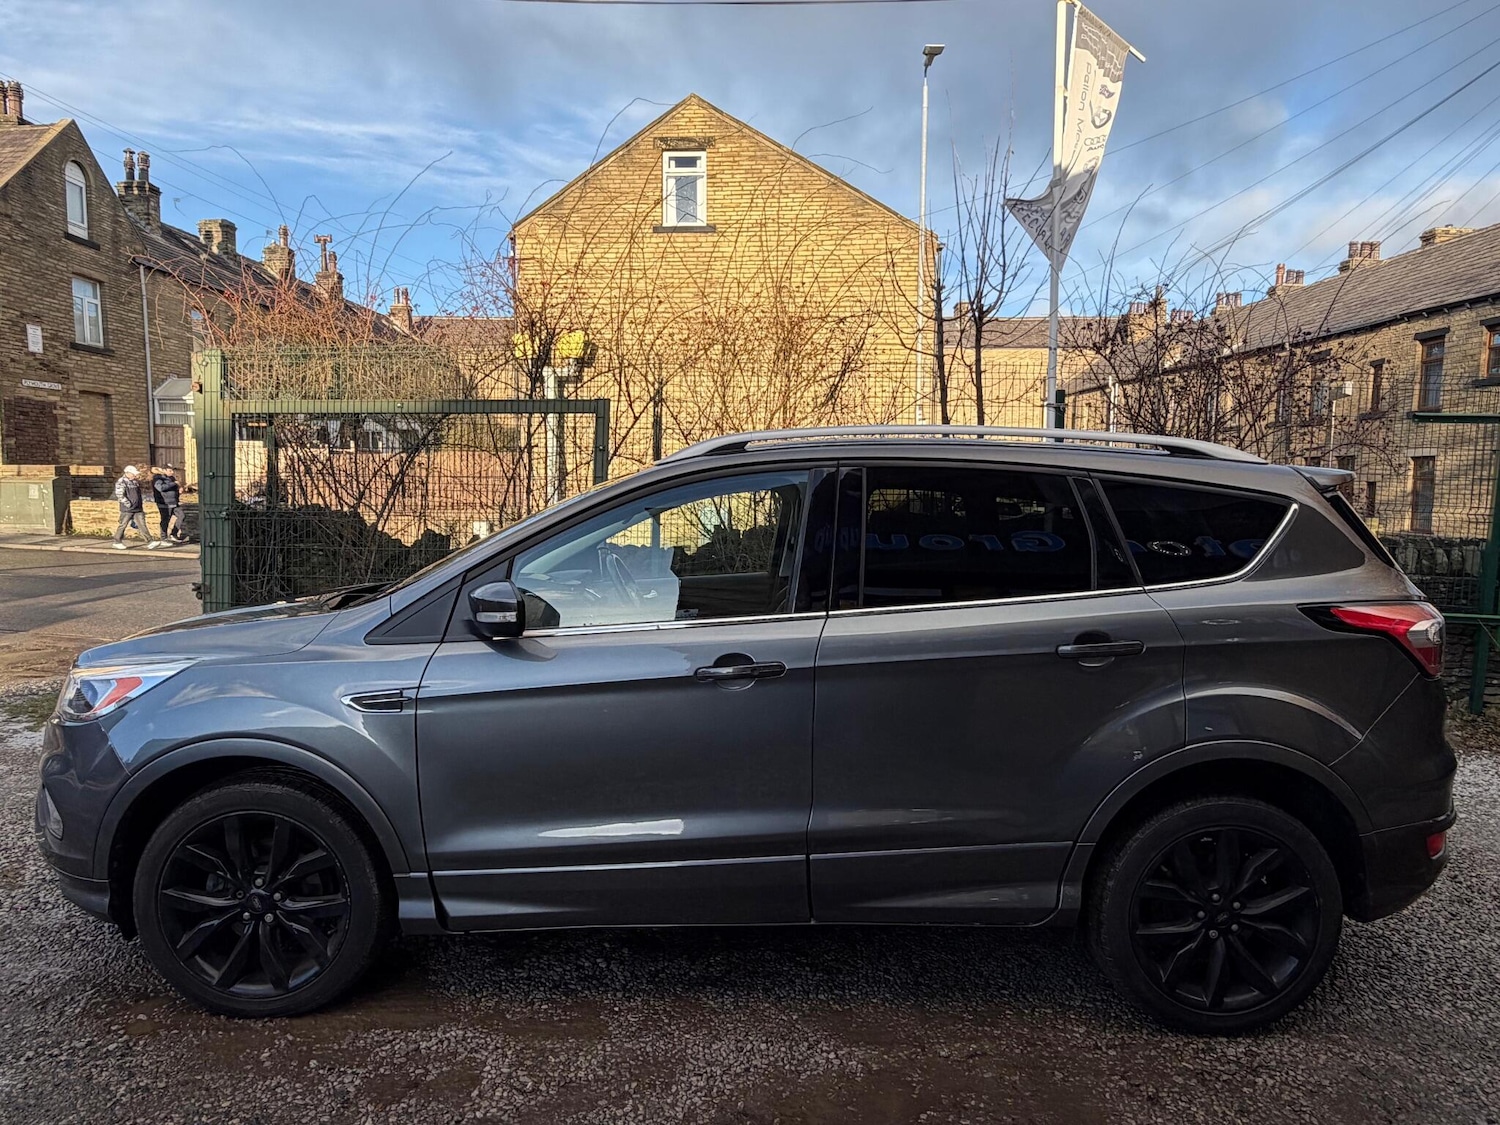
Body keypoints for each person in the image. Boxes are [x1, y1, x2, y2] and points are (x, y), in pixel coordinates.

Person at [112, 465, 153, 549]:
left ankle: (150, 541)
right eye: (133, 474)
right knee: (123, 525)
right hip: (127, 509)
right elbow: (120, 495)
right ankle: (117, 541)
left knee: (142, 524)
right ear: (127, 473)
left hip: (137, 508)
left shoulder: (135, 482)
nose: (135, 475)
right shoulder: (121, 482)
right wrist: (128, 504)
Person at [150, 465, 186, 546]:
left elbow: (175, 485)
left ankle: (173, 534)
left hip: (174, 502)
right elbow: (161, 488)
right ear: (164, 470)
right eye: (170, 471)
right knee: (165, 520)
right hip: (164, 503)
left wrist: (179, 488)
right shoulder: (158, 478)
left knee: (181, 516)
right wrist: (173, 484)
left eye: (172, 470)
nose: (172, 472)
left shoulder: (171, 478)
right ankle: (164, 538)